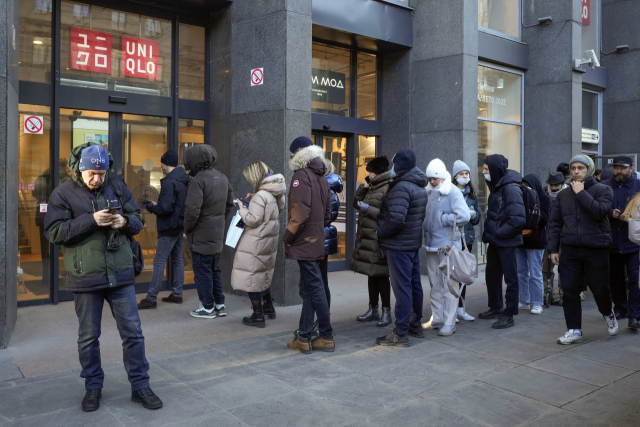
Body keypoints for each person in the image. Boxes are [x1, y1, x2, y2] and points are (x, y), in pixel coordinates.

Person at [44, 143, 162, 412]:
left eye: (102, 173)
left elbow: (137, 219)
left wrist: (125, 223)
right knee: (88, 336)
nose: (98, 179)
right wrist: (92, 220)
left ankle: (140, 386)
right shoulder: (62, 193)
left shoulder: (117, 186)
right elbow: (54, 232)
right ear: (78, 169)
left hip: (120, 275)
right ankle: (93, 387)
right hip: (86, 278)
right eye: (92, 174)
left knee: (133, 333)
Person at [547, 155, 617, 345]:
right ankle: (574, 329)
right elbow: (555, 223)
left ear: (590, 170)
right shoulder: (562, 195)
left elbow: (599, 212)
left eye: (581, 168)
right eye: (573, 168)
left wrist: (581, 193)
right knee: (569, 289)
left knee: (600, 288)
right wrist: (553, 249)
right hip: (570, 249)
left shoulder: (604, 189)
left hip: (596, 248)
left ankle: (608, 313)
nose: (576, 172)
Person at [285, 137, 334, 354]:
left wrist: (287, 237)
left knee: (314, 289)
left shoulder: (300, 176)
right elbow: (327, 214)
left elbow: (299, 213)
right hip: (317, 240)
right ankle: (305, 336)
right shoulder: (321, 176)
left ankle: (326, 335)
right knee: (311, 289)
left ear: (297, 154)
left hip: (304, 241)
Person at [375, 149, 428, 347]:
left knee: (402, 288)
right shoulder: (418, 185)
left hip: (399, 245)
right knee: (414, 285)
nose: (392, 168)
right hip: (412, 243)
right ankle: (415, 325)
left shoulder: (401, 187)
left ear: (400, 165)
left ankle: (401, 332)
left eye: (394, 164)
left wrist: (380, 231)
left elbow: (396, 219)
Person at [231, 161, 286, 328]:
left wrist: (242, 208)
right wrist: (255, 200)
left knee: (251, 276)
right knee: (262, 273)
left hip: (255, 242)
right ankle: (268, 307)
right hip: (268, 240)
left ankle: (257, 315)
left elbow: (252, 220)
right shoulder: (276, 193)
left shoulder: (261, 195)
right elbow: (276, 211)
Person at [183, 144, 234, 319]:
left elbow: (192, 211)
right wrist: (219, 219)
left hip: (201, 235)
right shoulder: (222, 177)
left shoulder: (198, 180)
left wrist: (187, 229)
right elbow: (229, 204)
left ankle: (207, 307)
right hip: (216, 233)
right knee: (214, 270)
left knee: (202, 272)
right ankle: (219, 304)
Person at [478, 154, 526, 329]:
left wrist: (498, 233)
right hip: (495, 241)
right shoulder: (496, 186)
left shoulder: (510, 188)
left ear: (495, 170)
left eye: (486, 169)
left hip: (506, 241)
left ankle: (509, 314)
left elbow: (518, 219)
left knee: (510, 278)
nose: (483, 172)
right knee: (492, 275)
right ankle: (496, 307)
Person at [423, 159, 470, 336]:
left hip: (448, 246)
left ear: (442, 176)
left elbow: (464, 216)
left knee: (449, 285)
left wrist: (444, 219)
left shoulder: (452, 192)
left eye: (435, 177)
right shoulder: (428, 192)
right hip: (430, 245)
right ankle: (437, 317)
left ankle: (449, 321)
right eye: (430, 178)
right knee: (435, 283)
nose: (432, 181)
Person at [138, 150, 190, 309]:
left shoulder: (169, 182)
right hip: (180, 225)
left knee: (159, 260)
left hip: (169, 227)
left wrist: (151, 207)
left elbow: (165, 209)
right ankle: (177, 294)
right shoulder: (184, 180)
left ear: (166, 163)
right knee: (178, 260)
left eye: (162, 163)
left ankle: (151, 298)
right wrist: (158, 205)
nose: (160, 167)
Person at [352, 156, 393, 327]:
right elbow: (355, 202)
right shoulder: (372, 186)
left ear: (378, 172)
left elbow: (388, 215)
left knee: (381, 276)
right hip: (368, 238)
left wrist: (368, 209)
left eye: (371, 171)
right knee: (371, 274)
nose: (368, 174)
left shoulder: (387, 187)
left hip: (378, 239)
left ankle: (386, 312)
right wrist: (364, 185)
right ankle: (372, 309)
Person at [602, 156, 640, 329]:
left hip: (634, 241)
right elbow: (596, 208)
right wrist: (610, 213)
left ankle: (635, 315)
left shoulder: (638, 186)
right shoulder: (605, 186)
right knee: (615, 278)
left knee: (635, 278)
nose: (618, 171)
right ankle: (621, 308)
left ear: (631, 168)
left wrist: (631, 214)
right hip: (612, 241)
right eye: (616, 167)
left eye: (622, 168)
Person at [516, 174, 552, 315]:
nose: (526, 188)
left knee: (535, 273)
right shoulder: (520, 197)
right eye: (523, 185)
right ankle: (524, 300)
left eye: (528, 185)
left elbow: (544, 218)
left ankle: (537, 303)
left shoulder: (544, 199)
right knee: (521, 272)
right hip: (521, 240)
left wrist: (530, 221)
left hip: (536, 240)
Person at [33, 159, 71, 287]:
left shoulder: (41, 177)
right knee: (64, 246)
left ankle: (46, 276)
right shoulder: (66, 180)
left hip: (43, 215)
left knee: (45, 249)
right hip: (61, 217)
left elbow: (34, 193)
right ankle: (67, 273)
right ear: (65, 166)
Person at [452, 160, 480, 321]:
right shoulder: (450, 192)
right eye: (462, 174)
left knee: (463, 274)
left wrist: (474, 215)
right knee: (452, 274)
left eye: (467, 174)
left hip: (466, 238)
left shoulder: (472, 195)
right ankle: (451, 309)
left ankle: (461, 308)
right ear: (455, 176)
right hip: (451, 238)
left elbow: (477, 219)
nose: (465, 176)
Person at [320, 160, 343, 311]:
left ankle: (323, 317)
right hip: (322, 237)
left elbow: (327, 217)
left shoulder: (328, 191)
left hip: (321, 238)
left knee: (321, 281)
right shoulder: (326, 190)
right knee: (320, 280)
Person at [542, 172, 568, 303]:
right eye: (551, 185)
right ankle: (547, 291)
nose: (552, 188)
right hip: (548, 235)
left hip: (564, 236)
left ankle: (563, 293)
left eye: (556, 185)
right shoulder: (543, 193)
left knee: (564, 267)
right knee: (546, 268)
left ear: (562, 184)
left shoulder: (569, 194)